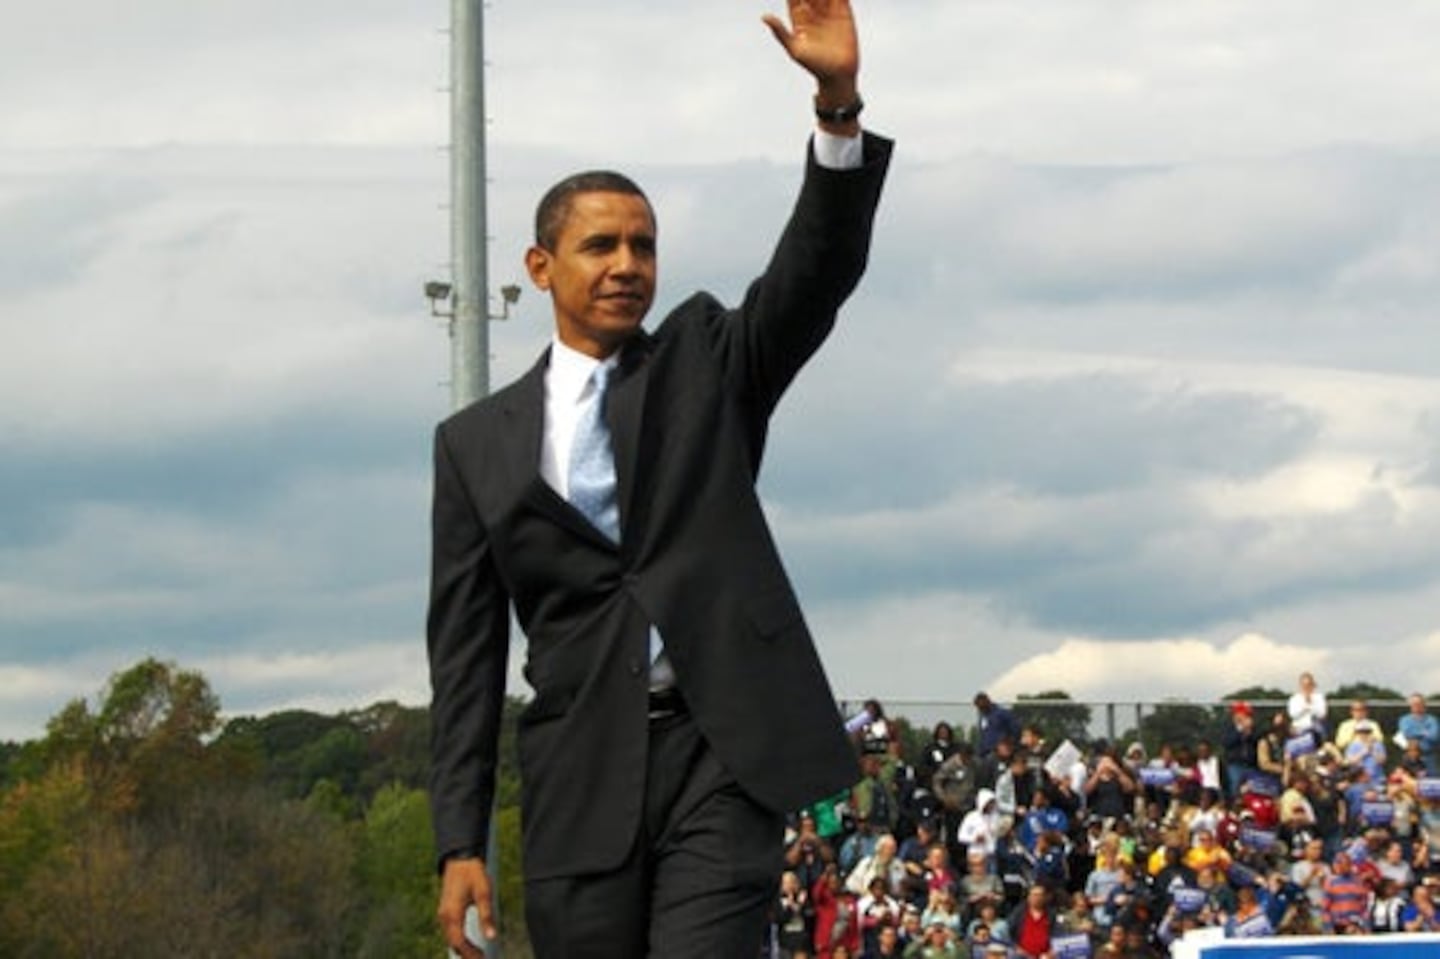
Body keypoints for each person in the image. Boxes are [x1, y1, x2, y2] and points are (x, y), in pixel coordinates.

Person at [423, 2, 894, 954]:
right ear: (540, 266)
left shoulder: (706, 362)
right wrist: (459, 839)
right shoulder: (474, 444)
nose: (627, 266)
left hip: (719, 755)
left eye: (643, 245)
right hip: (579, 775)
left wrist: (837, 105)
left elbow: (813, 275)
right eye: (601, 246)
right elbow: (466, 657)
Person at [1399, 693, 1440, 776]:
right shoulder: (1404, 720)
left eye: (1419, 703)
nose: (1416, 706)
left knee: (1432, 782)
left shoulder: (1432, 720)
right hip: (1410, 760)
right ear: (1410, 705)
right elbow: (1406, 733)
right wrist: (1424, 732)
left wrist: (1415, 732)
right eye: (1414, 704)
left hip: (1429, 758)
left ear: (1424, 705)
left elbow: (1434, 736)